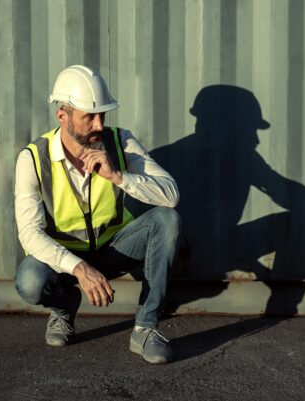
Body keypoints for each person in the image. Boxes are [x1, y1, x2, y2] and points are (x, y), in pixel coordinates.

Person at [14, 65, 181, 364]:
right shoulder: (32, 158)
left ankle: (146, 328)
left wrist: (119, 177)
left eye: (102, 114)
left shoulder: (121, 142)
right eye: (88, 116)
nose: (98, 124)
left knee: (167, 220)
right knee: (29, 280)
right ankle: (64, 308)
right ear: (62, 115)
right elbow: (29, 233)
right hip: (65, 261)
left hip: (114, 250)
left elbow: (171, 195)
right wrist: (78, 268)